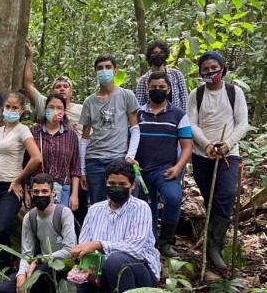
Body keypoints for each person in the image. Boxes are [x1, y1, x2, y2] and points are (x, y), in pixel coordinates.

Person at [56, 161, 160, 293]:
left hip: (139, 273)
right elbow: (84, 247)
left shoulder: (140, 207)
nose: (116, 187)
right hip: (99, 274)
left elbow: (135, 249)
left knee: (116, 260)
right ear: (105, 182)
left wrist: (99, 244)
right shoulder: (94, 210)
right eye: (112, 183)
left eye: (122, 184)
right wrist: (88, 271)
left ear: (132, 185)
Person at [187, 51, 249, 270]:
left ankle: (214, 247)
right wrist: (207, 144)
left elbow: (242, 123)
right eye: (205, 70)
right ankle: (210, 237)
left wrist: (227, 144)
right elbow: (192, 123)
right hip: (202, 153)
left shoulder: (234, 92)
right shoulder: (197, 94)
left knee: (226, 194)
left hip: (228, 154)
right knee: (209, 197)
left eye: (214, 68)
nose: (210, 72)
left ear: (223, 69)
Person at [0, 91, 42, 270]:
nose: (10, 110)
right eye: (8, 107)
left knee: (2, 228)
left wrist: (18, 180)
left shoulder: (23, 130)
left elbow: (36, 157)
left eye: (15, 108)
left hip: (11, 188)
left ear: (22, 111)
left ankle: (4, 266)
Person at [135, 72, 193, 257]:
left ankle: (166, 241)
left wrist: (178, 167)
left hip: (165, 170)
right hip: (141, 172)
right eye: (153, 87)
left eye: (161, 87)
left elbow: (187, 146)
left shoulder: (178, 114)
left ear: (169, 89)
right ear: (147, 89)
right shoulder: (137, 114)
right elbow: (129, 140)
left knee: (173, 199)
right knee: (147, 208)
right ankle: (150, 244)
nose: (157, 91)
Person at [0, 174, 76, 293]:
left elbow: (70, 250)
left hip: (63, 267)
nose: (40, 195)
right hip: (40, 266)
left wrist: (39, 260)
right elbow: (26, 253)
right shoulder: (30, 217)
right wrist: (21, 274)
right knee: (3, 290)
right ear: (31, 193)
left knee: (42, 273)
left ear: (53, 193)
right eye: (36, 191)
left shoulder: (63, 213)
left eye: (44, 191)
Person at [79, 54, 140, 205]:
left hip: (118, 157)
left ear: (115, 71)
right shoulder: (89, 102)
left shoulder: (126, 95)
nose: (104, 71)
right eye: (100, 68)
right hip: (94, 159)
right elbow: (85, 138)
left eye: (108, 67)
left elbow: (135, 129)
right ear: (95, 72)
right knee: (97, 204)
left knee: (126, 198)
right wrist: (82, 170)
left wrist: (130, 156)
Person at [23, 94, 80, 210]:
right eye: (51, 107)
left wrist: (74, 195)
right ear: (45, 110)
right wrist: (26, 191)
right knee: (38, 224)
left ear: (64, 111)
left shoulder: (71, 135)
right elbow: (25, 164)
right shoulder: (33, 132)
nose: (55, 110)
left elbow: (75, 167)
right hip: (38, 189)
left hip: (63, 189)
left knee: (58, 224)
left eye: (59, 108)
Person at [22, 41, 83, 135]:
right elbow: (27, 85)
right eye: (58, 87)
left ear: (71, 92)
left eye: (65, 86)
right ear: (52, 92)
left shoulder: (81, 109)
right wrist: (29, 57)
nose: (62, 89)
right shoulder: (45, 105)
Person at [135, 40, 189, 111]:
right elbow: (139, 104)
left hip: (175, 118)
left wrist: (183, 117)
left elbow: (185, 98)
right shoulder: (143, 80)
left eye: (161, 53)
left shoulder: (176, 75)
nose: (158, 55)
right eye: (155, 53)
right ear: (150, 56)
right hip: (153, 119)